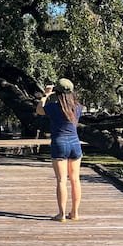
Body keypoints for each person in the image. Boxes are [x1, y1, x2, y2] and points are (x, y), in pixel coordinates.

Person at [37, 78, 84, 221]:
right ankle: (75, 213)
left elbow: (39, 110)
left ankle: (61, 214)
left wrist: (46, 95)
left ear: (57, 92)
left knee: (61, 180)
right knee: (75, 180)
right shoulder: (78, 108)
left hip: (59, 143)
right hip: (75, 144)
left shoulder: (53, 107)